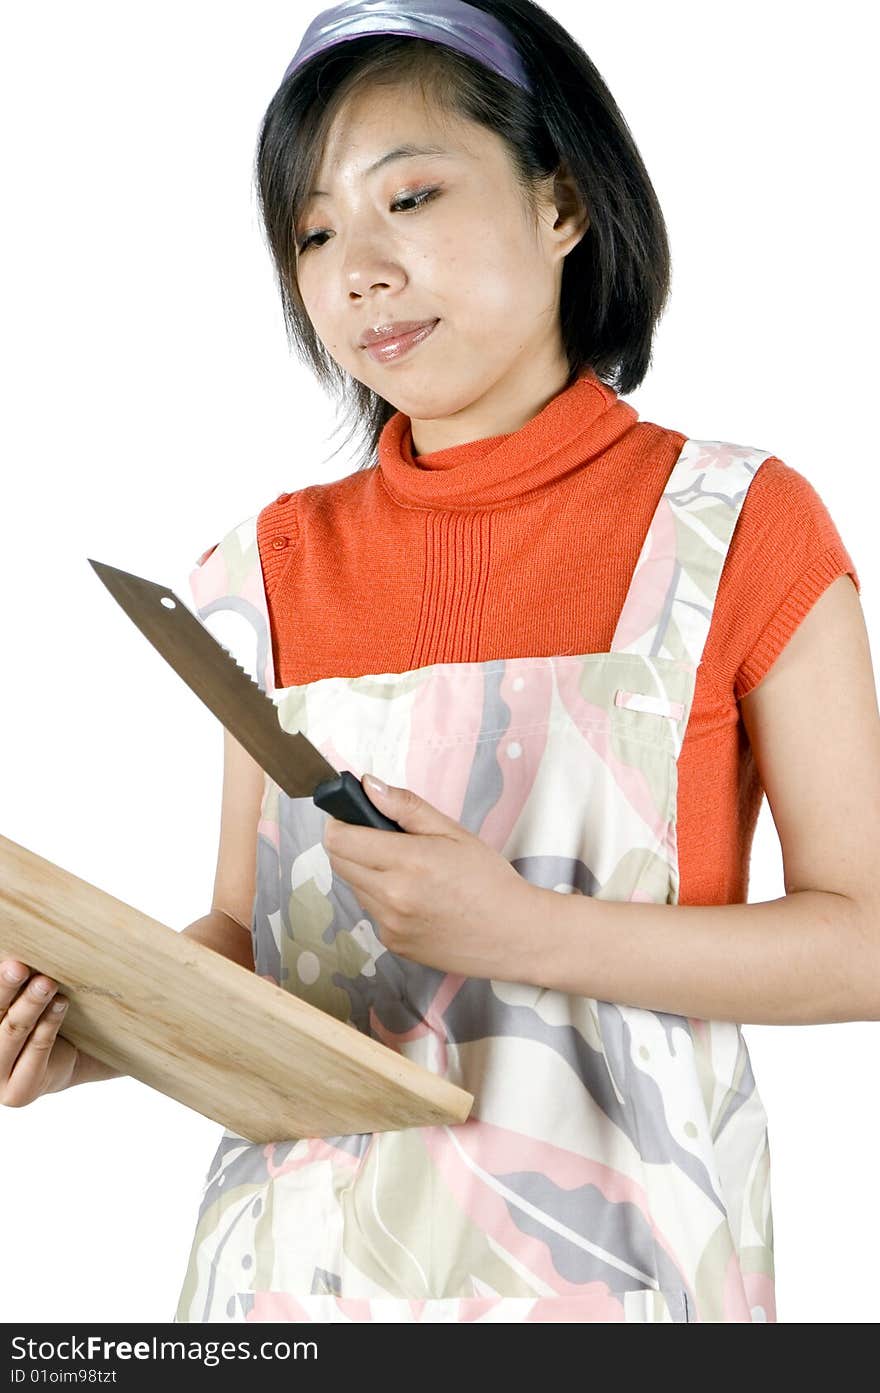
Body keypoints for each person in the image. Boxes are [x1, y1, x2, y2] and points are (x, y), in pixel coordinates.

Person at [3, 0, 875, 1324]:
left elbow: (865, 942)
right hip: (289, 1284)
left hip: (616, 1277)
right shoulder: (266, 565)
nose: (354, 267)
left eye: (408, 195)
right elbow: (250, 939)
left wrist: (523, 930)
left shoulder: (736, 524)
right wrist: (100, 1033)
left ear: (565, 203)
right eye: (310, 231)